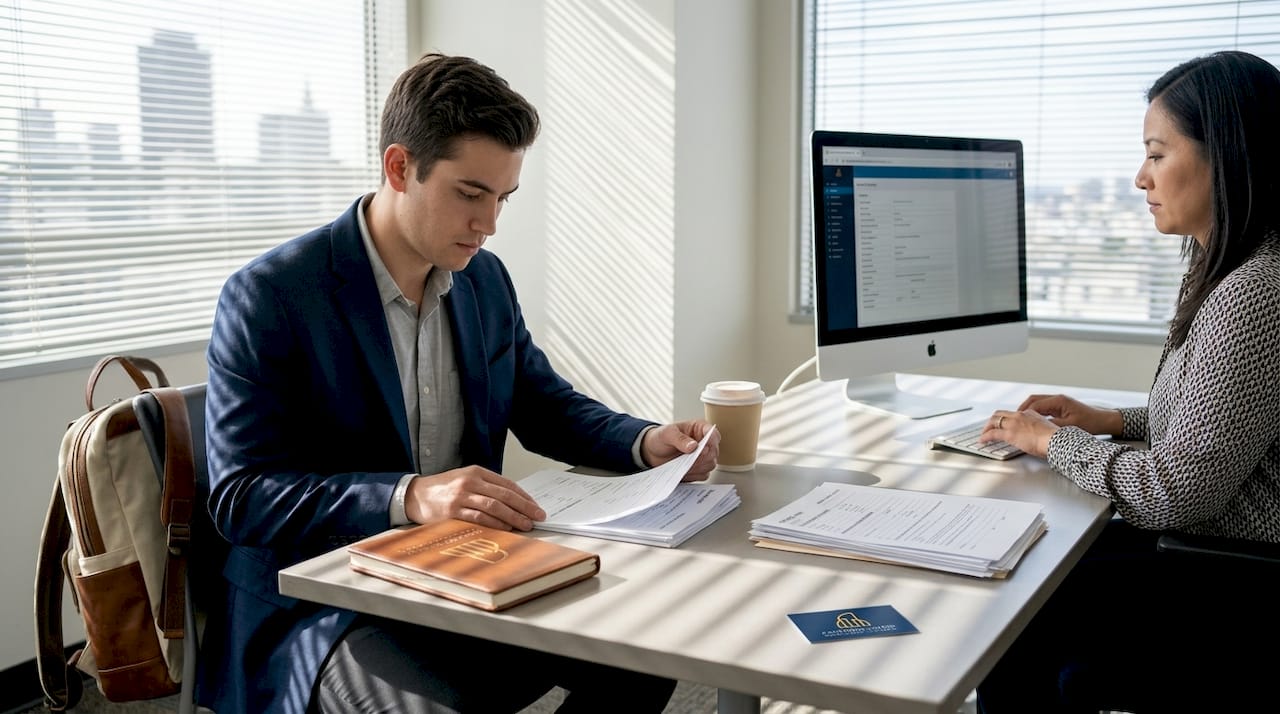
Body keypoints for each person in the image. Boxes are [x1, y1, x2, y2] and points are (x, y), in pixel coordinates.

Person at [199, 52, 720, 714]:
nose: (490, 224)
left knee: (648, 645)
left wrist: (648, 442)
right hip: (325, 605)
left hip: (466, 571)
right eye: (471, 194)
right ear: (399, 168)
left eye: (503, 199)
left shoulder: (483, 280)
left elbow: (542, 403)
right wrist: (411, 496)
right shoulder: (271, 296)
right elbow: (242, 497)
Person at [975, 50, 1280, 713]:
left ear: (1225, 156)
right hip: (1215, 546)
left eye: (1157, 153)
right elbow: (1217, 426)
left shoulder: (1254, 292)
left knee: (1015, 611)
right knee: (1033, 559)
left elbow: (1176, 491)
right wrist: (1110, 421)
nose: (1140, 177)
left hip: (1230, 577)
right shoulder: (1236, 265)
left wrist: (1050, 443)